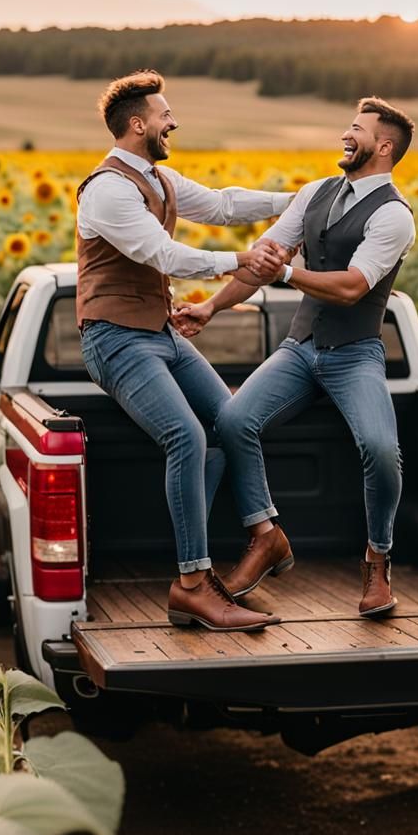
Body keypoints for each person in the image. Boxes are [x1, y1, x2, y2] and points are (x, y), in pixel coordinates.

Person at [173, 97, 416, 617]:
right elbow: (263, 260)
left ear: (385, 146)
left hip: (354, 354)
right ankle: (267, 538)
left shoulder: (394, 216)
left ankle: (378, 560)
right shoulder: (314, 193)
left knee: (380, 447)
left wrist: (285, 272)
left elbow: (352, 288)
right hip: (300, 348)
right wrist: (212, 307)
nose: (346, 136)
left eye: (357, 130)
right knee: (234, 419)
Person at [76, 69, 292, 632]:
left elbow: (222, 204)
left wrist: (301, 200)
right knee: (186, 435)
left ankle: (264, 534)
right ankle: (192, 584)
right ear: (138, 123)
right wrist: (240, 261)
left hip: (161, 334)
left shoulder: (159, 180)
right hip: (115, 337)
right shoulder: (107, 189)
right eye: (166, 114)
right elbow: (161, 255)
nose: (174, 121)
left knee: (235, 419)